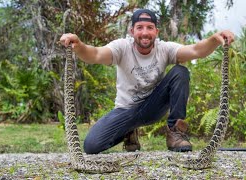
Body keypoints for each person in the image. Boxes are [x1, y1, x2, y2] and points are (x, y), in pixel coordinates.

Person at [59, 9, 235, 154]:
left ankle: (175, 133)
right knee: (91, 146)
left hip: (152, 107)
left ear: (156, 32)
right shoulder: (122, 47)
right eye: (140, 27)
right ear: (132, 31)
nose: (145, 32)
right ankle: (129, 130)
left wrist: (214, 39)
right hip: (125, 110)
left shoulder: (164, 49)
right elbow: (95, 54)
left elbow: (196, 51)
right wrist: (79, 45)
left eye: (150, 27)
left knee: (180, 72)